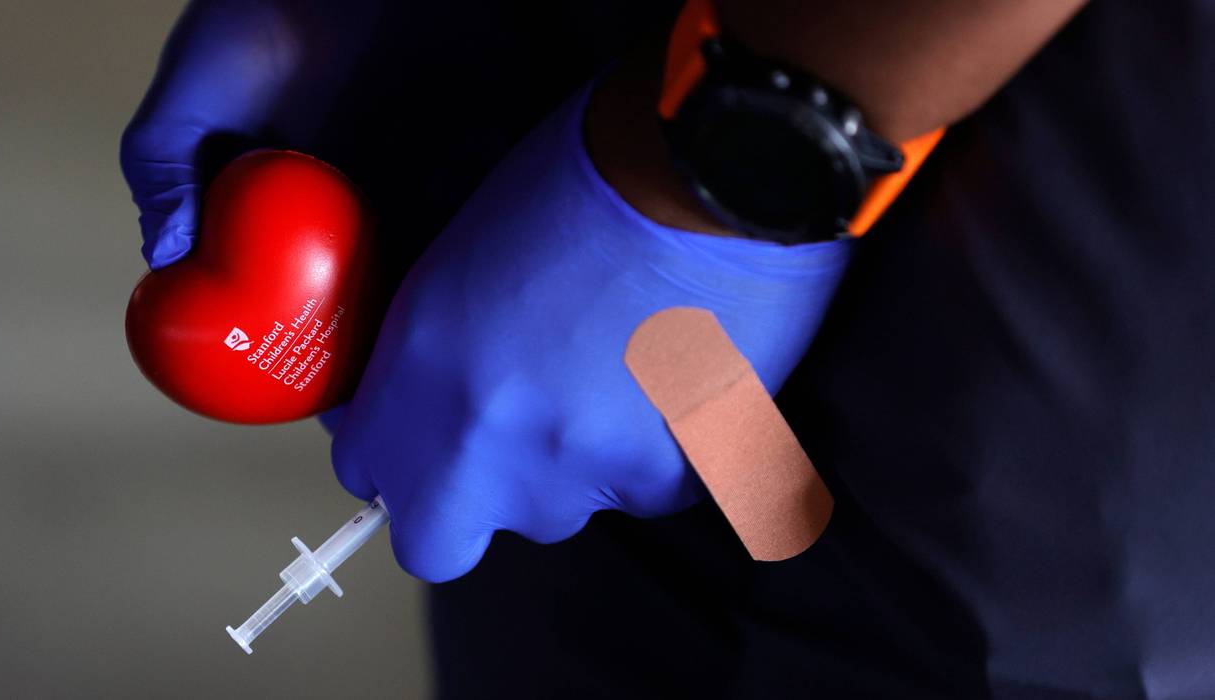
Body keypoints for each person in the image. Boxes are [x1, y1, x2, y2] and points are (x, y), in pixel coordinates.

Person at [122, 1, 1215, 696]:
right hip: (614, 138)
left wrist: (730, 159)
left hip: (1009, 170)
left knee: (919, 618)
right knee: (593, 589)